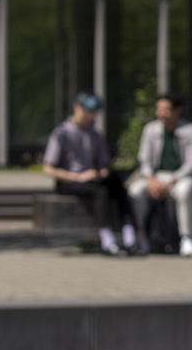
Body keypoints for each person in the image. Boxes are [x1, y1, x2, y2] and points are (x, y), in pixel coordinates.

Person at [44, 92, 134, 255]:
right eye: (88, 112)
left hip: (91, 179)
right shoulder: (61, 133)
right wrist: (77, 177)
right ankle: (108, 240)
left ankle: (130, 236)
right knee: (101, 192)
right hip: (69, 181)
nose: (91, 117)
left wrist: (100, 173)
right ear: (77, 108)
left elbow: (104, 164)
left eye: (94, 113)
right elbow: (48, 168)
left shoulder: (95, 134)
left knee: (117, 184)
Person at [126, 94, 192, 257]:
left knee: (185, 191)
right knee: (135, 191)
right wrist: (150, 180)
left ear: (177, 111)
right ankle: (143, 237)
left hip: (180, 177)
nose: (161, 113)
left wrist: (171, 181)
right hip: (155, 177)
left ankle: (187, 238)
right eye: (159, 109)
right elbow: (144, 159)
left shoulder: (191, 130)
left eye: (165, 109)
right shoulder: (150, 129)